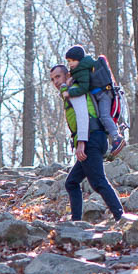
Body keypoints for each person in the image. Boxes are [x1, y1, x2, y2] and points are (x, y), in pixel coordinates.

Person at [50, 61, 125, 226]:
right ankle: (76, 222)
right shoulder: (71, 91)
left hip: (91, 138)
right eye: (53, 79)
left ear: (67, 75)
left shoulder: (74, 90)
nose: (55, 81)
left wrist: (81, 143)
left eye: (58, 76)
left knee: (98, 181)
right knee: (72, 182)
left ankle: (121, 217)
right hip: (93, 138)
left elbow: (83, 116)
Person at [64, 43, 124, 155]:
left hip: (103, 94)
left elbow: (83, 87)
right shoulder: (84, 67)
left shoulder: (82, 69)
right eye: (68, 61)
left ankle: (117, 137)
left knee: (104, 116)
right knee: (102, 117)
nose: (70, 63)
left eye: (72, 60)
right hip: (101, 93)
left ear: (79, 59)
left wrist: (69, 93)